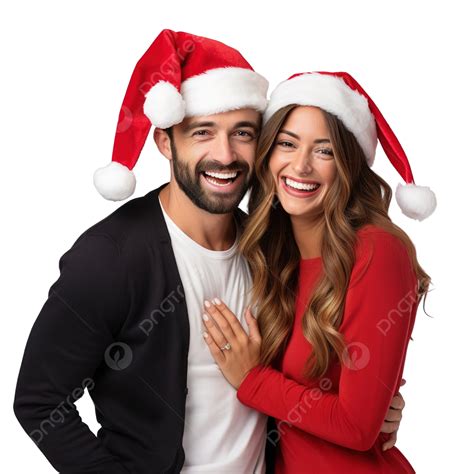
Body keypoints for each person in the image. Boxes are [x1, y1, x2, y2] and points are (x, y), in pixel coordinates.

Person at [13, 29, 405, 472]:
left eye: (242, 133)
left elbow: (307, 373)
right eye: (203, 132)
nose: (225, 154)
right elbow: (40, 401)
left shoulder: (270, 247)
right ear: (165, 142)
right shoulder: (112, 258)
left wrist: (371, 406)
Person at [200, 71, 436, 473]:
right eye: (287, 144)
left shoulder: (376, 251)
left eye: (324, 151)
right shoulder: (270, 255)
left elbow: (358, 428)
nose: (301, 165)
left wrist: (253, 380)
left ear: (348, 165)